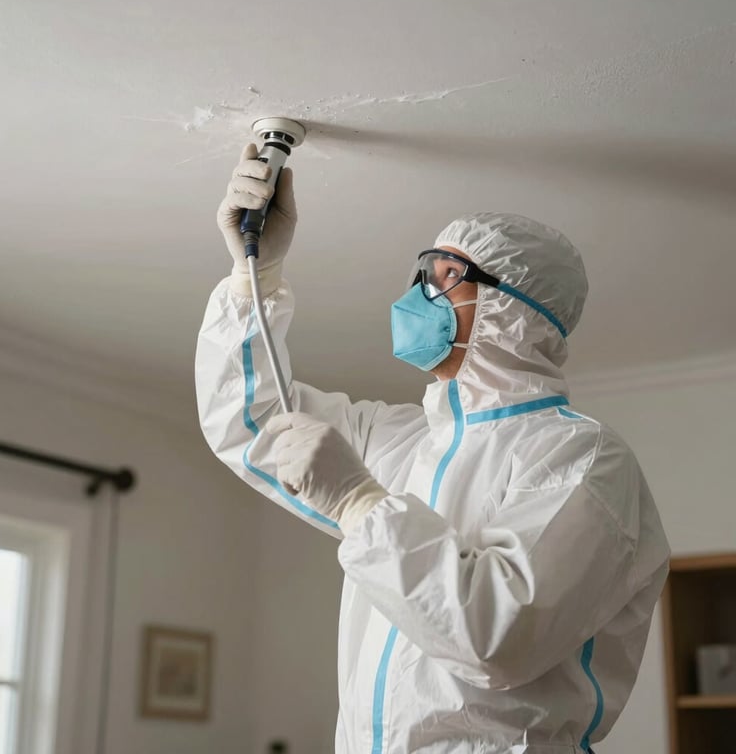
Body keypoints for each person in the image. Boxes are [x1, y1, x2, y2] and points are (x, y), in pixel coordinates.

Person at [195, 143, 670, 754]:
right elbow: (252, 421)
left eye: (448, 276)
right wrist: (252, 276)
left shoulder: (582, 460)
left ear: (512, 311)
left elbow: (497, 635)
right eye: (424, 272)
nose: (421, 292)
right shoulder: (402, 441)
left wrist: (362, 504)